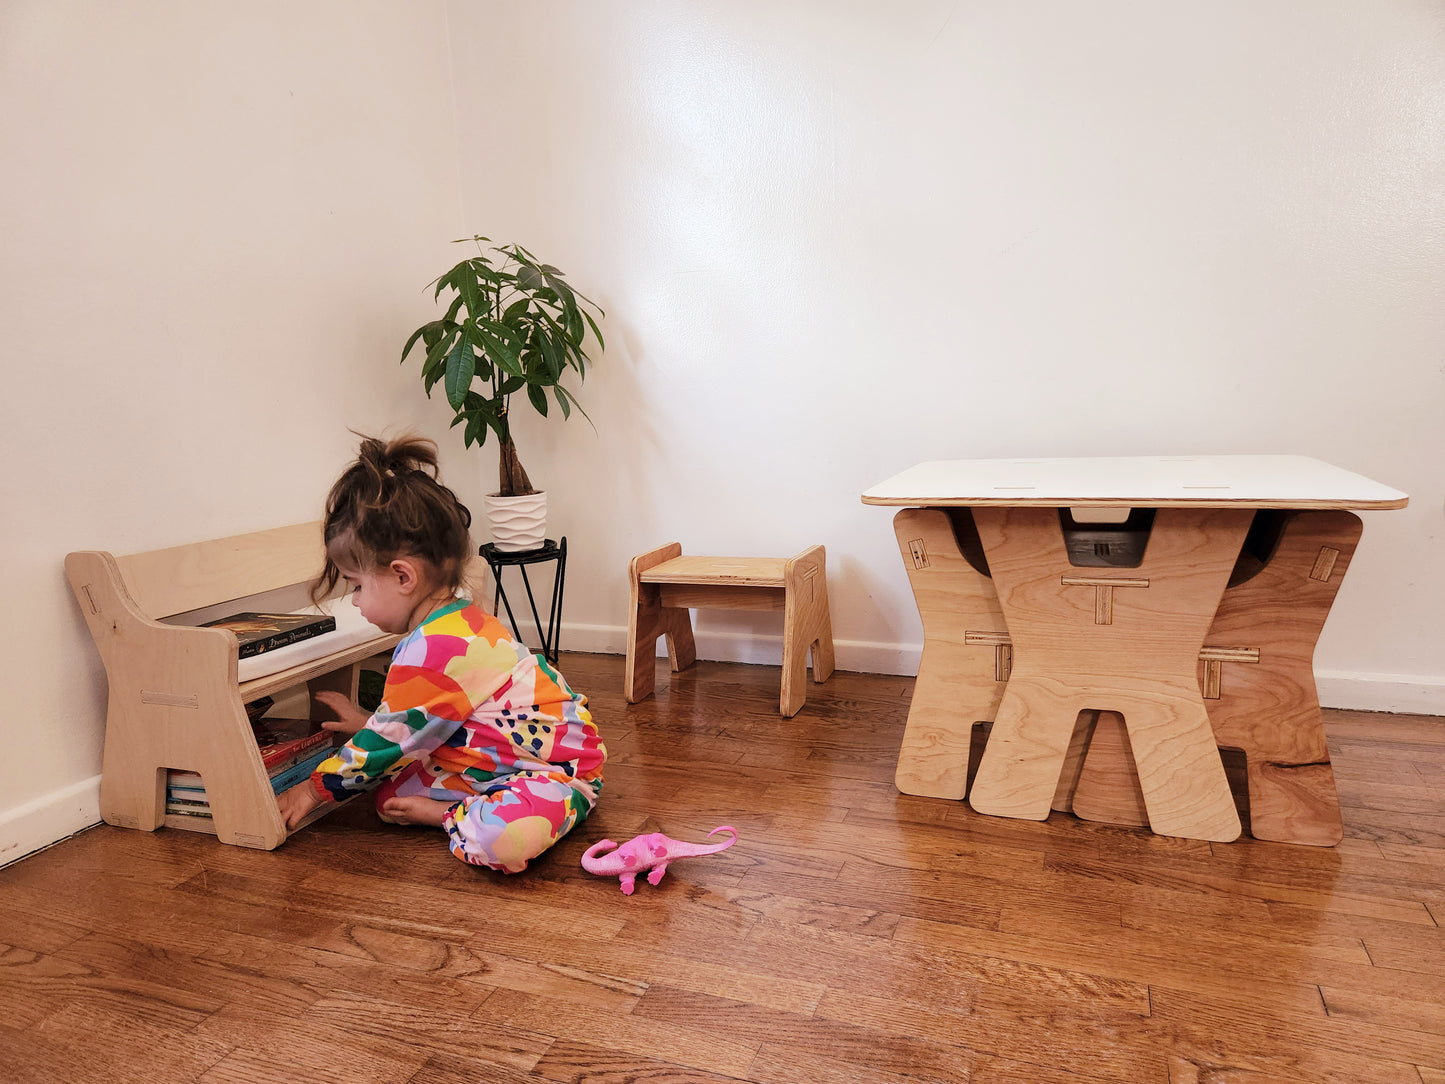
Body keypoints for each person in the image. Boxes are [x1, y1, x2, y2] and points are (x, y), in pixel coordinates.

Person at [277, 434, 605, 873]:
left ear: (402, 577)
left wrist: (310, 791)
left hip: (556, 774)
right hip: (491, 759)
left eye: (357, 586)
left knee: (498, 842)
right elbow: (418, 722)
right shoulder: (455, 620)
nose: (355, 601)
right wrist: (370, 725)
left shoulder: (435, 647)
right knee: (389, 798)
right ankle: (474, 806)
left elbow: (385, 745)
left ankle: (457, 816)